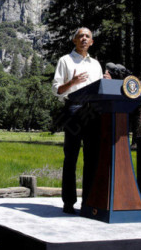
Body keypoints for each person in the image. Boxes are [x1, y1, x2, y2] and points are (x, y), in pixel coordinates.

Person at [52, 27, 110, 214]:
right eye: (80, 36)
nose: (84, 39)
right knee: (71, 156)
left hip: (94, 111)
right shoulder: (65, 60)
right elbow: (56, 90)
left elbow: (100, 90)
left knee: (92, 158)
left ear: (92, 42)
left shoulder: (96, 64)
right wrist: (72, 83)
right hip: (74, 108)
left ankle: (89, 202)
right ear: (74, 41)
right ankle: (68, 202)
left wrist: (106, 81)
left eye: (88, 36)